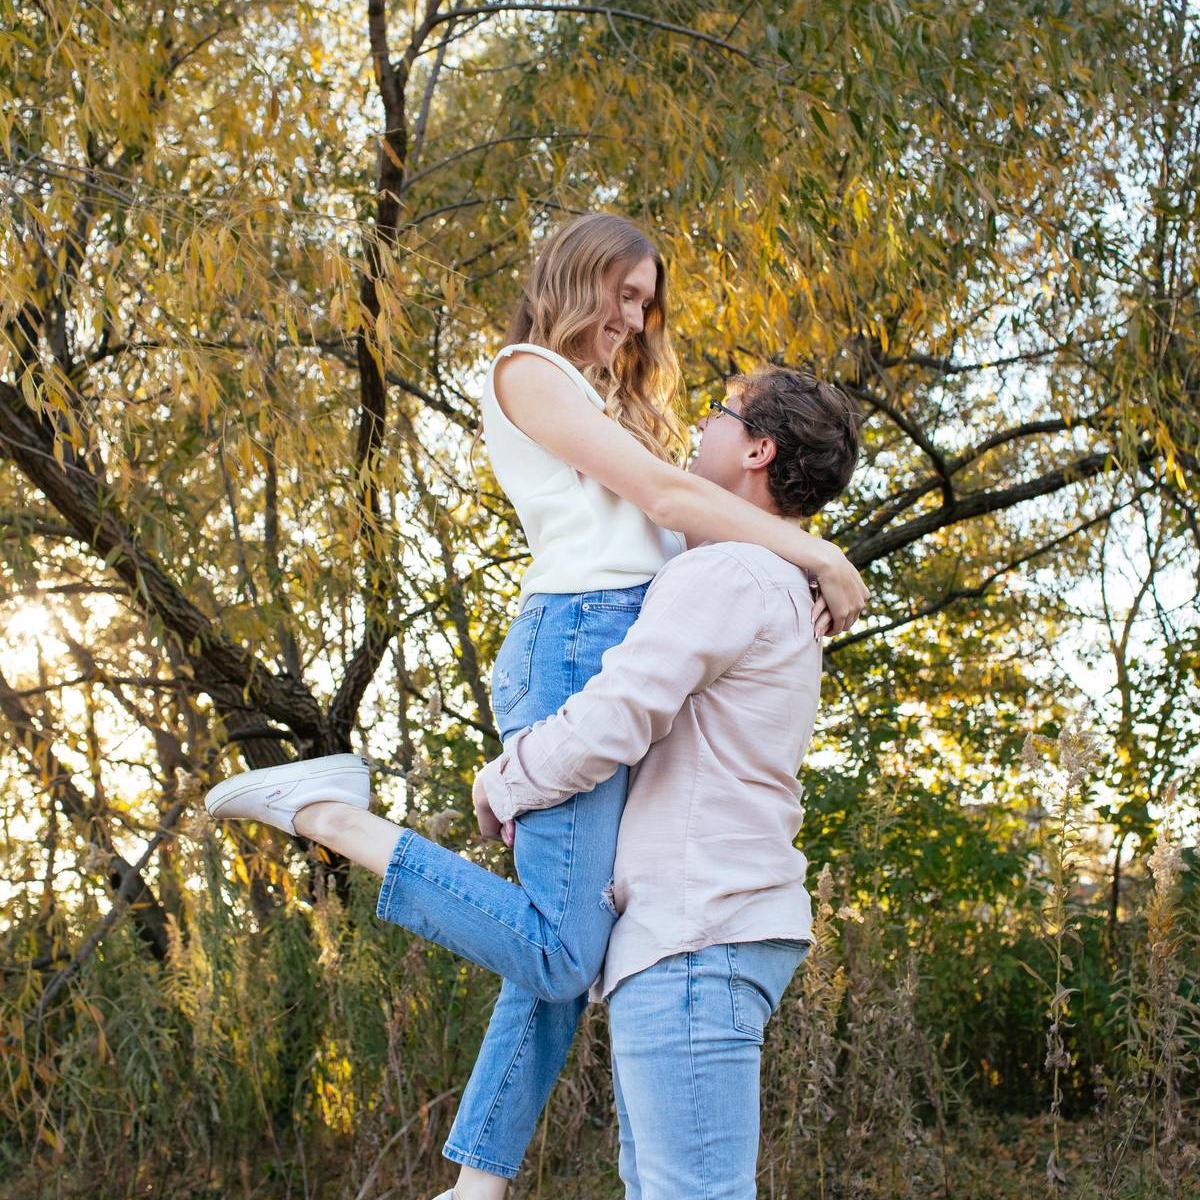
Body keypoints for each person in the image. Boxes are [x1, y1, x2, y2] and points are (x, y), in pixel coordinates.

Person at [203, 213, 868, 1200]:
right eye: (624, 294)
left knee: (572, 938)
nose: (635, 320)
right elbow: (666, 499)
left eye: (646, 304)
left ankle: (478, 1185)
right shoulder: (527, 370)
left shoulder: (613, 416)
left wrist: (793, 554)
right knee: (563, 945)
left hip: (610, 633)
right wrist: (814, 549)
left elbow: (693, 528)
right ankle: (330, 816)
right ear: (577, 276)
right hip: (578, 638)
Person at [472, 364, 860, 1199]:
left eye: (720, 412)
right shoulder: (772, 578)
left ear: (758, 449)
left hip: (696, 934)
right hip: (706, 932)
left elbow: (617, 715)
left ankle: (346, 828)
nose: (698, 426)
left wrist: (507, 781)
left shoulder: (728, 575)